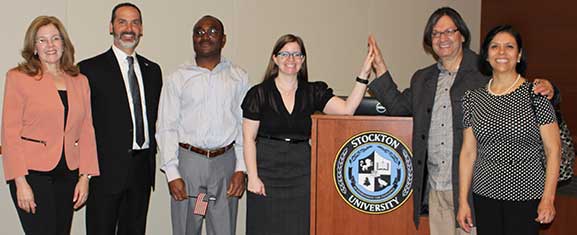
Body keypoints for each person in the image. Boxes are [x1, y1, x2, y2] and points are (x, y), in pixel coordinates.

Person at [367, 7, 557, 235]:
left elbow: (524, 93)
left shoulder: (485, 71)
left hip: (475, 191)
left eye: (449, 31)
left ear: (462, 35)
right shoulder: (422, 79)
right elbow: (399, 107)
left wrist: (551, 89)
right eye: (435, 33)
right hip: (437, 188)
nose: (442, 38)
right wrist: (380, 67)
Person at [242, 34, 374, 235]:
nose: (291, 59)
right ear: (275, 59)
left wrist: (364, 74)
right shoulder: (258, 93)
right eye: (285, 53)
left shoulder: (313, 91)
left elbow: (347, 109)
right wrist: (252, 177)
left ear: (303, 60)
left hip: (301, 175)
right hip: (266, 173)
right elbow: (248, 138)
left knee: (299, 228)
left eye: (296, 54)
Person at [456, 25, 560, 235]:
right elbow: (468, 152)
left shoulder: (536, 94)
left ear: (519, 55)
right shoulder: (472, 98)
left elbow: (554, 150)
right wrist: (463, 201)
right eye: (495, 47)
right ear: (486, 55)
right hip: (484, 193)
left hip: (527, 194)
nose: (502, 52)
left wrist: (548, 199)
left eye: (509, 47)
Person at [1, 16, 99, 234]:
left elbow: (87, 130)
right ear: (34, 47)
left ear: (64, 44)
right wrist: (20, 182)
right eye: (42, 40)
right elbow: (10, 133)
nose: (50, 45)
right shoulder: (18, 77)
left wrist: (85, 177)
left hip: (68, 174)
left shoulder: (79, 81)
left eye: (55, 39)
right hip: (32, 176)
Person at [156, 15, 247, 235]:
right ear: (193, 39)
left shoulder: (238, 77)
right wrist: (172, 172)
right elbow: (166, 126)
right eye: (199, 32)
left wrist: (241, 168)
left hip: (224, 165)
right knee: (188, 228)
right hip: (189, 165)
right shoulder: (177, 77)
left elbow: (244, 125)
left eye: (212, 31)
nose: (205, 36)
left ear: (223, 39)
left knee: (223, 229)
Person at [78, 3, 162, 234]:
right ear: (111, 27)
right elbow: (81, 124)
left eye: (135, 22)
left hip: (141, 170)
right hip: (105, 172)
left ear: (141, 29)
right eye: (122, 22)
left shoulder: (153, 70)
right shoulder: (89, 69)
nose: (129, 28)